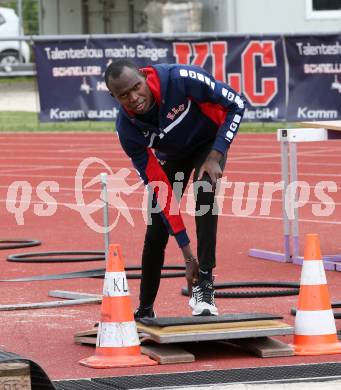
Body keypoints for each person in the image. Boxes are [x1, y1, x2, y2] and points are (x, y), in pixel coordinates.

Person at [105, 59, 246, 318]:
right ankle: (145, 308)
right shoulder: (127, 130)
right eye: (124, 95)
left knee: (205, 190)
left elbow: (237, 104)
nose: (134, 98)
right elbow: (161, 191)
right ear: (113, 97)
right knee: (157, 221)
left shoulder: (180, 78)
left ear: (144, 77)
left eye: (137, 87)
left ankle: (205, 285)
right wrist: (186, 253)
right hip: (173, 155)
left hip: (208, 145)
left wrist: (216, 154)